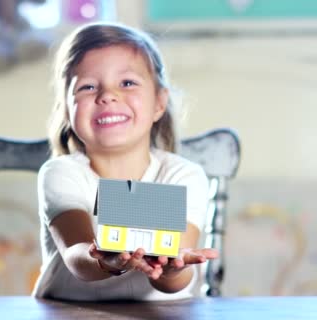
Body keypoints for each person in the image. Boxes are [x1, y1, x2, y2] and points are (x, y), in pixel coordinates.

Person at [32, 22, 218, 301]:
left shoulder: (184, 176)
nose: (108, 95)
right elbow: (76, 255)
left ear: (158, 103)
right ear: (67, 111)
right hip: (70, 313)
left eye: (127, 83)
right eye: (88, 86)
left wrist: (169, 269)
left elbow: (174, 276)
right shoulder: (60, 173)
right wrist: (106, 261)